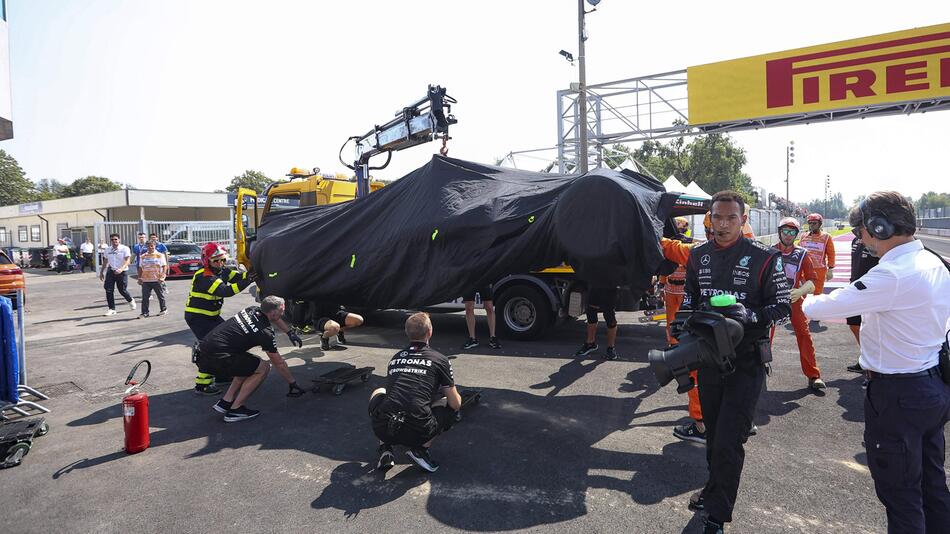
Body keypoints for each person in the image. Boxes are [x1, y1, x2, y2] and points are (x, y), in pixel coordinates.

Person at [802, 192, 950, 533]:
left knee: (901, 497)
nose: (861, 237)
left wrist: (804, 295)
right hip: (930, 386)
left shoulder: (893, 274)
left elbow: (826, 307)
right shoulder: (932, 260)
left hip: (898, 395)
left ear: (879, 227)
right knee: (933, 487)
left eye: (863, 230)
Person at [681, 191, 791, 533]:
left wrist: (751, 315)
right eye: (718, 217)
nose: (723, 224)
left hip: (747, 363)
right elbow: (689, 300)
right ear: (709, 220)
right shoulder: (698, 256)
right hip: (709, 360)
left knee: (730, 440)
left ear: (744, 220)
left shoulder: (763, 257)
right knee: (714, 435)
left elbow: (783, 307)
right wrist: (680, 329)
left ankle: (717, 514)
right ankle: (714, 491)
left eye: (731, 218)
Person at [369, 312, 461, 472]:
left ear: (407, 333)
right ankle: (421, 450)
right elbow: (455, 403)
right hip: (418, 432)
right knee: (451, 404)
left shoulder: (396, 357)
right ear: (430, 332)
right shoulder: (440, 359)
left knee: (380, 391)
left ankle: (385, 448)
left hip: (382, 428)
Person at [197, 296, 306, 423]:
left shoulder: (252, 310)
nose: (283, 313)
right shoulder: (265, 333)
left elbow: (275, 318)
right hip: (217, 359)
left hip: (204, 350)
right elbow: (279, 363)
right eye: (282, 310)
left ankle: (225, 402)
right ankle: (235, 410)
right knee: (263, 367)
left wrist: (289, 332)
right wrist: (292, 383)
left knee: (248, 364)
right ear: (273, 312)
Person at [185, 243, 256, 395]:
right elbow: (225, 291)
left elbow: (237, 277)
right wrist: (248, 280)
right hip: (198, 318)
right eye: (215, 261)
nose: (220, 263)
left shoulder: (222, 270)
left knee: (227, 342)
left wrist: (252, 271)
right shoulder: (204, 276)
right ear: (207, 261)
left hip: (212, 316)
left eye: (222, 260)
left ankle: (222, 376)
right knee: (211, 348)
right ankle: (202, 385)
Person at [662, 217, 706, 444]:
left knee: (694, 372)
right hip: (723, 324)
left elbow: (665, 246)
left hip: (703, 322)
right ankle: (739, 420)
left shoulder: (697, 250)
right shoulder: (749, 250)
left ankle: (701, 426)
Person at [771, 217, 825, 390]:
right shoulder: (768, 252)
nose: (788, 235)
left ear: (796, 234)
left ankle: (813, 375)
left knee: (804, 334)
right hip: (771, 301)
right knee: (763, 335)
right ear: (780, 232)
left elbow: (812, 282)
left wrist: (800, 291)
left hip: (794, 300)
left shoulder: (802, 254)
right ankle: (756, 370)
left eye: (792, 232)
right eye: (785, 232)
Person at [845, 235, 880, 373]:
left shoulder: (878, 239)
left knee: (873, 328)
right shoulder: (855, 240)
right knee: (853, 323)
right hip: (854, 285)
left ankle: (874, 365)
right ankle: (866, 357)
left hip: (871, 289)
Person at [574, 285, 620, 360]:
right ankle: (590, 343)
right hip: (596, 284)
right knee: (591, 311)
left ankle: (611, 348)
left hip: (611, 285)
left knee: (609, 315)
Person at [99, 234, 136, 316]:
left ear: (119, 240)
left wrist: (121, 269)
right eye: (112, 239)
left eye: (115, 239)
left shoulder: (124, 248)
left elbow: (128, 261)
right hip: (111, 271)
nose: (114, 241)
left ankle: (130, 300)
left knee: (122, 290)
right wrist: (101, 272)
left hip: (122, 271)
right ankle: (112, 309)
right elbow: (105, 261)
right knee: (108, 289)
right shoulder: (108, 249)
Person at [798, 213, 835, 296]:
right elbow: (798, 250)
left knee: (817, 294)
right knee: (802, 293)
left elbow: (831, 254)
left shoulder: (826, 237)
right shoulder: (803, 236)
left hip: (819, 270)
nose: (812, 225)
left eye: (814, 223)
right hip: (804, 270)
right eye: (810, 223)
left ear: (820, 224)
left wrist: (830, 269)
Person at [461, 285, 501, 350]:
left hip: (483, 279)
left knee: (489, 307)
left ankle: (493, 337)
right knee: (469, 308)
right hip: (469, 280)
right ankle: (472, 338)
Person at [137, 240, 167, 317]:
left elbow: (164, 266)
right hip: (146, 280)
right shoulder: (143, 256)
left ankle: (163, 309)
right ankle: (145, 312)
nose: (150, 247)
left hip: (157, 279)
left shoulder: (160, 255)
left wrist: (163, 276)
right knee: (145, 297)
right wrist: (139, 277)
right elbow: (140, 267)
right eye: (149, 246)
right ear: (146, 247)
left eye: (152, 246)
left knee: (160, 295)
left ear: (155, 246)